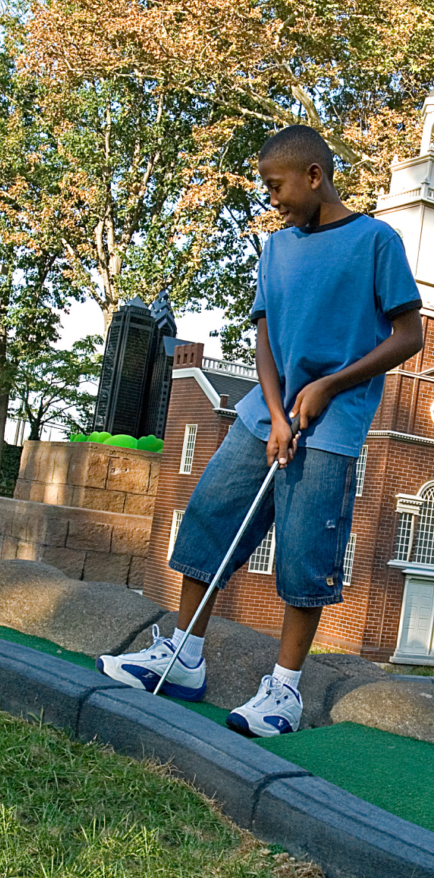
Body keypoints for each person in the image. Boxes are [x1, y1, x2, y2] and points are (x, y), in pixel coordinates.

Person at [97, 125, 424, 737]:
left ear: (314, 176)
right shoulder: (275, 250)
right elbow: (266, 340)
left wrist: (328, 385)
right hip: (261, 416)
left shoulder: (376, 241)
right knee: (208, 518)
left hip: (333, 427)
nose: (270, 198)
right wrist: (274, 414)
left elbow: (410, 336)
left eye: (276, 186)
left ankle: (284, 691)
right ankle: (183, 656)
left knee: (305, 556)